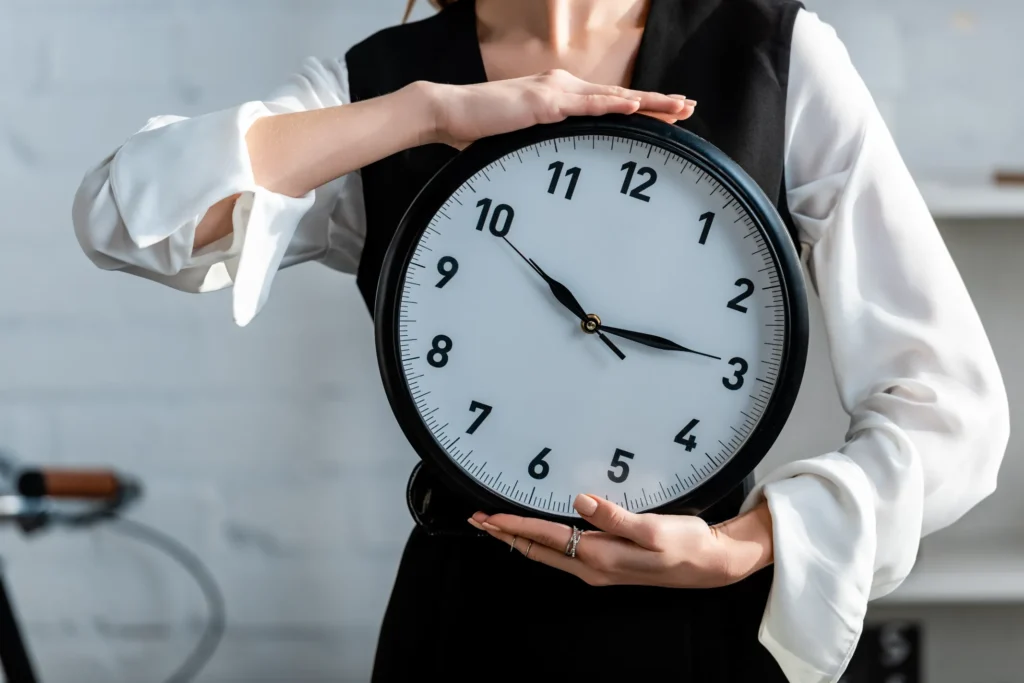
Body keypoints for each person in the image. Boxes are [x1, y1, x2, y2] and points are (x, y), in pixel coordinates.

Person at [72, 0, 1009, 680]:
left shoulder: (773, 52)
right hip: (465, 627)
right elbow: (122, 217)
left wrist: (749, 545)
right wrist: (425, 114)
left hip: (701, 629)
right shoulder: (382, 83)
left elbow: (952, 412)